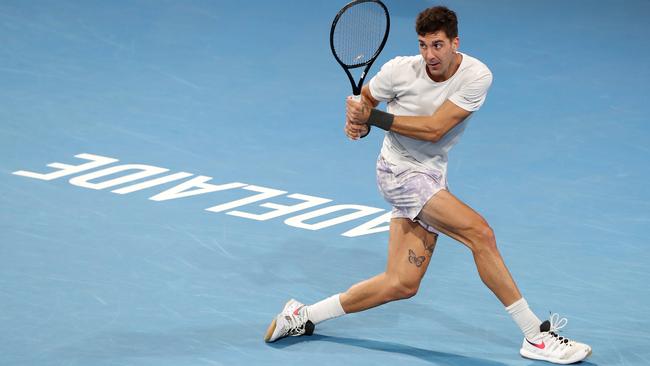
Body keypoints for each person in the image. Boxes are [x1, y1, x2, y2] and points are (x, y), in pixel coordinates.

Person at [264, 6, 592, 364]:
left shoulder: (476, 75)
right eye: (423, 45)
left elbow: (435, 128)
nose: (429, 55)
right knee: (480, 234)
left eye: (437, 45)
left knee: (400, 283)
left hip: (433, 172)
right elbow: (367, 99)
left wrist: (371, 116)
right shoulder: (398, 70)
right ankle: (535, 336)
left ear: (455, 43)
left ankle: (303, 315)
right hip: (399, 173)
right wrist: (357, 122)